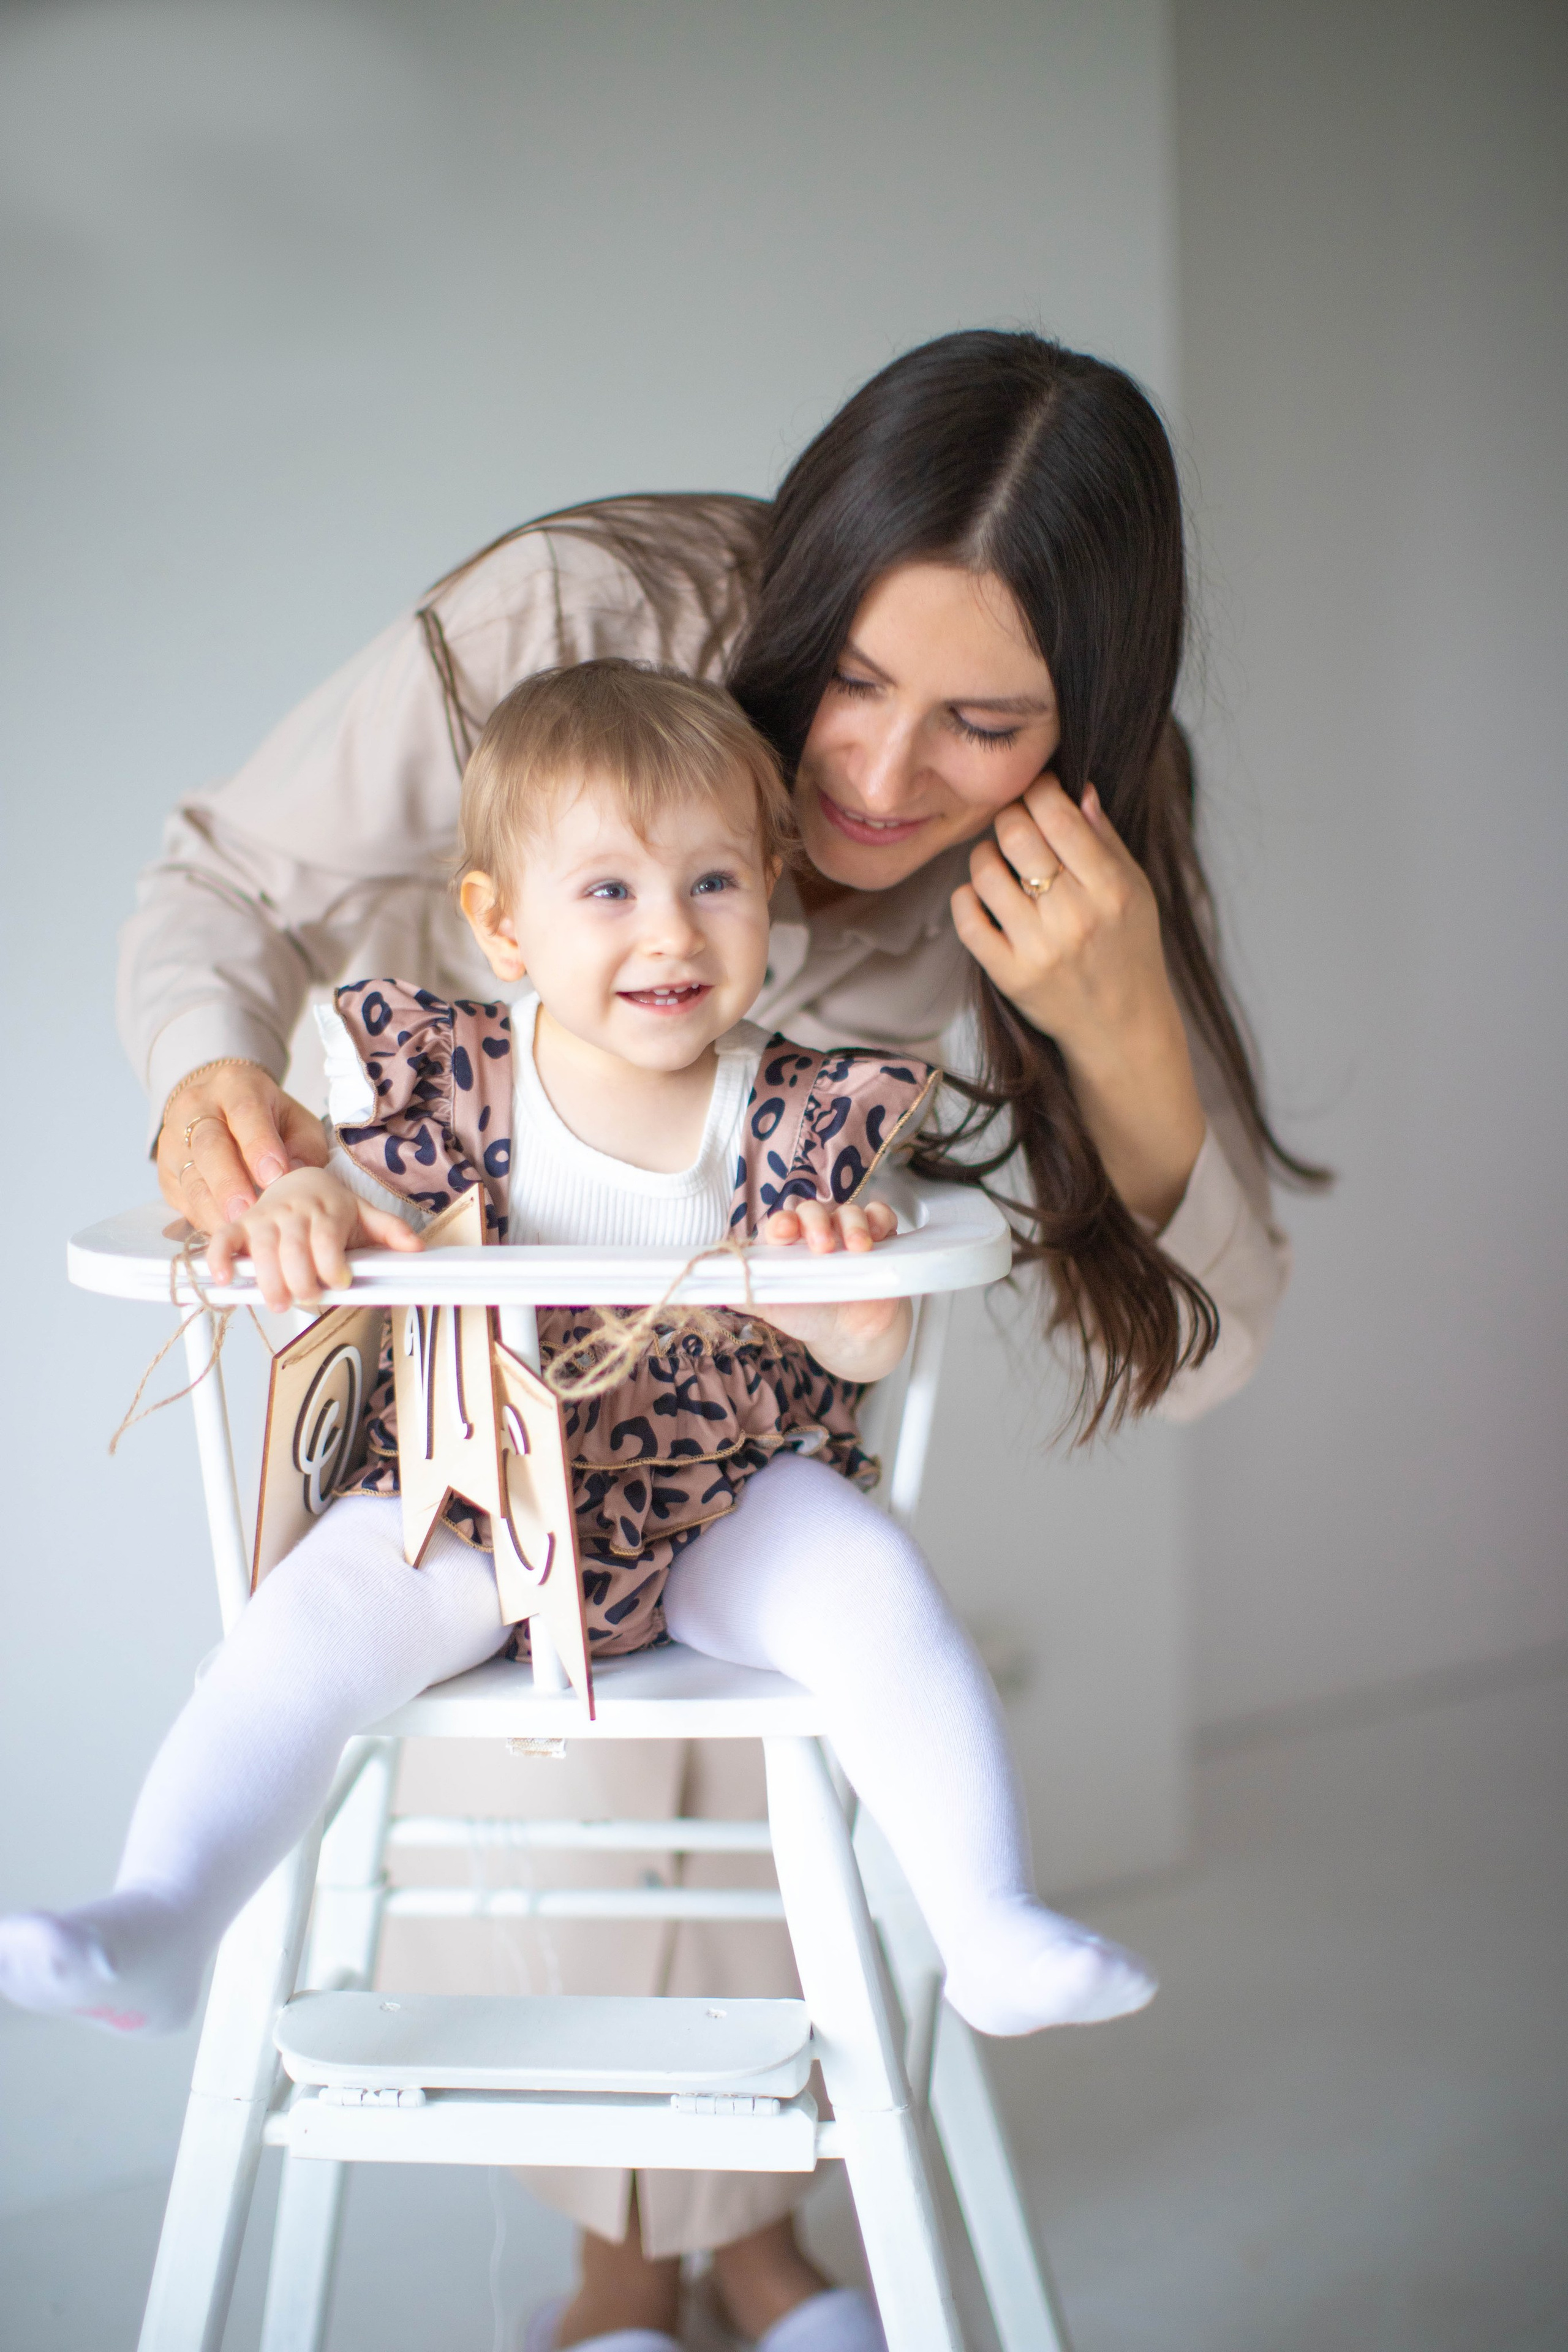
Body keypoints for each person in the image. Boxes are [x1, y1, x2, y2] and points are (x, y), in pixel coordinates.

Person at [114, 331, 1316, 2345]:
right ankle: (654, 2268)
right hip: (483, 1368)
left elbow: (1208, 1353)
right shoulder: (591, 619)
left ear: (1083, 728)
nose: (872, 778)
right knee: (558, 1720)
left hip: (746, 1420)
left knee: (788, 1692)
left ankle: (723, 2256)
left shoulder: (1067, 856)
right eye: (850, 678)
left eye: (980, 726)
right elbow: (225, 879)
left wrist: (1117, 1025)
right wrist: (205, 1085)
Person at [4, 665, 1156, 2352]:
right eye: (608, 888)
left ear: (768, 900)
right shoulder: (452, 1084)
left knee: (872, 1589)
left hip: (728, 1488)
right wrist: (310, 1201)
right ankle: (170, 1910)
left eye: (713, 882)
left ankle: (982, 1918)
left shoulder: (789, 1110)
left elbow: (866, 1333)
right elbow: (344, 1208)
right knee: (306, 1629)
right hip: (485, 1495)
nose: (667, 930)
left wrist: (847, 1285)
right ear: (503, 923)